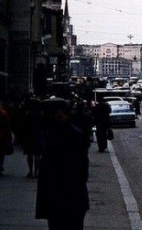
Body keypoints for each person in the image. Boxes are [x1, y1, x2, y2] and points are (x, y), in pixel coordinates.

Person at [36, 98, 89, 230]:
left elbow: (79, 170)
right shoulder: (56, 133)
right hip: (61, 198)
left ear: (58, 114)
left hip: (66, 198)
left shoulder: (68, 135)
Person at [20, 98, 45, 178]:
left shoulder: (28, 114)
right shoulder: (41, 114)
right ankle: (36, 172)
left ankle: (30, 171)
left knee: (30, 154)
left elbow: (24, 126)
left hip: (29, 135)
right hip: (39, 135)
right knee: (38, 155)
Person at [0, 101, 13, 176]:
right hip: (2, 136)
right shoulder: (3, 113)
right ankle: (0, 166)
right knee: (1, 153)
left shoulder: (3, 113)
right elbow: (7, 125)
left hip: (2, 135)